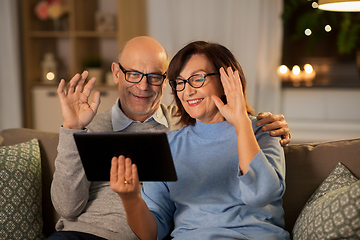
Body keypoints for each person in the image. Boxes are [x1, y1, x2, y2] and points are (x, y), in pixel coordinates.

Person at [48, 36, 290, 240]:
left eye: (197, 78)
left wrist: (243, 122)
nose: (143, 86)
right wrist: (130, 198)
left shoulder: (260, 129)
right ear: (116, 73)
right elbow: (69, 207)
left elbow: (262, 194)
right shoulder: (168, 142)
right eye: (181, 82)